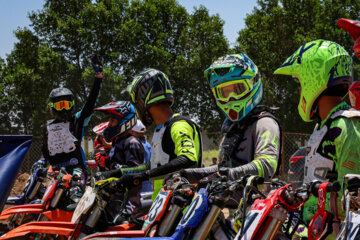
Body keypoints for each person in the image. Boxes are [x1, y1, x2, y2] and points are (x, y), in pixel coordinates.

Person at [274, 40, 360, 223]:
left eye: (300, 82)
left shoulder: (346, 126)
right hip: (312, 227)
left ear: (314, 78)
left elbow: (351, 199)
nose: (299, 90)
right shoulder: (324, 125)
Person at [182, 54, 281, 183]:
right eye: (224, 93)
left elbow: (267, 165)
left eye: (238, 89)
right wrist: (186, 174)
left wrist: (227, 175)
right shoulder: (233, 126)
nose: (230, 98)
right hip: (225, 200)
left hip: (255, 200)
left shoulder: (264, 123)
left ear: (253, 83)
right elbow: (222, 169)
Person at [115, 68, 202, 199]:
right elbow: (151, 168)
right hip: (163, 207)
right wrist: (116, 173)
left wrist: (144, 176)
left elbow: (188, 159)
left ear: (142, 100)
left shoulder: (179, 125)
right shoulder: (161, 129)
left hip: (182, 208)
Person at [41, 55, 103, 201]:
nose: (63, 109)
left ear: (72, 104)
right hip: (56, 174)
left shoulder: (78, 120)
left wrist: (98, 78)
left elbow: (90, 102)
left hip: (77, 172)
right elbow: (44, 151)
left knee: (74, 197)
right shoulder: (47, 127)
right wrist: (40, 163)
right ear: (52, 107)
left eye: (66, 104)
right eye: (59, 105)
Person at [94, 101, 145, 219]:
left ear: (124, 122)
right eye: (109, 120)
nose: (109, 124)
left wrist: (108, 164)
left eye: (113, 120)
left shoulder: (132, 143)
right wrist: (106, 163)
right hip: (113, 197)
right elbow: (117, 166)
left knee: (119, 228)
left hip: (128, 201)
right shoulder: (118, 142)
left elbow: (134, 172)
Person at [129, 119, 153, 193]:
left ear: (132, 132)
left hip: (139, 183)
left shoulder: (135, 145)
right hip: (148, 182)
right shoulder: (147, 144)